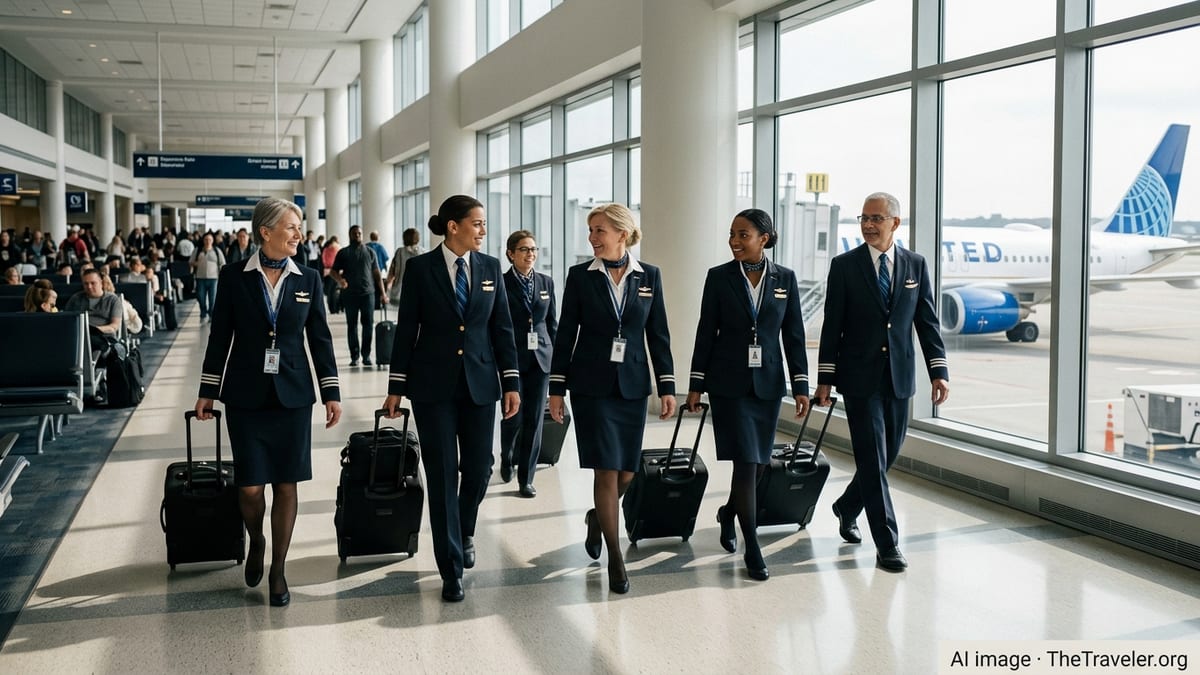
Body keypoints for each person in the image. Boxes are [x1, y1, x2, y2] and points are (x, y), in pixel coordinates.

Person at [193, 197, 342, 608]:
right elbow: (220, 335)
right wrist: (208, 389)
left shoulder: (308, 278)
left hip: (293, 395)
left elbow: (320, 339)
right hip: (246, 395)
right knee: (251, 487)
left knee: (286, 483)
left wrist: (331, 392)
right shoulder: (234, 277)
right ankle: (256, 539)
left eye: (299, 227)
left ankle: (278, 568)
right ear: (266, 232)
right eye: (291, 227)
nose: (298, 234)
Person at [380, 194, 521, 604]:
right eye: (477, 223)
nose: (483, 230)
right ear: (453, 226)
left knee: (479, 469)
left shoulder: (492, 267)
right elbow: (407, 330)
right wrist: (396, 387)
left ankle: (465, 529)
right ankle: (451, 568)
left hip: (480, 385)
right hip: (432, 389)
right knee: (442, 475)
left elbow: (503, 329)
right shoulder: (421, 269)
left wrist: (511, 383)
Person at [812, 191, 950, 572]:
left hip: (900, 378)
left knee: (886, 456)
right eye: (864, 218)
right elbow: (832, 326)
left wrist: (939, 370)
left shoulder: (915, 265)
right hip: (858, 378)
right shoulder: (845, 266)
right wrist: (825, 378)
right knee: (872, 459)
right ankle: (887, 543)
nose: (868, 225)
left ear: (895, 223)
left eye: (876, 218)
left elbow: (927, 322)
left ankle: (846, 506)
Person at [547, 202, 676, 595]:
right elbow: (565, 333)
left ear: (622, 233)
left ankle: (596, 519)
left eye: (599, 230)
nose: (592, 237)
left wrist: (667, 386)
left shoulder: (648, 276)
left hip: (633, 387)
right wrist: (556, 389)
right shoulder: (580, 277)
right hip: (591, 387)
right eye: (590, 230)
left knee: (628, 472)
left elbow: (659, 334)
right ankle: (615, 560)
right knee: (605, 470)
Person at [684, 209, 810, 581]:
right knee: (745, 460)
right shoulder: (719, 277)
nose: (734, 241)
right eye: (732, 235)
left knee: (756, 465)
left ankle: (728, 512)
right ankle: (751, 545)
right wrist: (695, 383)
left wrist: (800, 386)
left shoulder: (785, 279)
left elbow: (795, 336)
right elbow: (706, 331)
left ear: (764, 238)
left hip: (768, 384)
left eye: (743, 235)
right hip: (729, 384)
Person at [499, 230, 557, 498]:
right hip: (512, 358)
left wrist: (557, 362)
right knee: (513, 416)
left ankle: (527, 478)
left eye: (533, 249)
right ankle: (507, 455)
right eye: (524, 249)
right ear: (511, 254)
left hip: (541, 359)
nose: (530, 254)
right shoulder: (501, 283)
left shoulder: (546, 283)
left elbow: (552, 324)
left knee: (534, 419)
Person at [330, 225, 385, 366]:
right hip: (350, 294)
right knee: (352, 325)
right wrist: (340, 280)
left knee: (368, 325)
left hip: (368, 294)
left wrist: (383, 293)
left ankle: (366, 355)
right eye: (355, 233)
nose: (358, 235)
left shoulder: (370, 252)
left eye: (360, 233)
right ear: (350, 235)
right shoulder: (343, 253)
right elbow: (333, 271)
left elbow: (377, 274)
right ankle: (354, 356)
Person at [64, 268, 123, 337]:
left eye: (93, 283)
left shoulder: (113, 300)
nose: (89, 286)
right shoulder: (76, 298)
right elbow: (66, 320)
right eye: (86, 284)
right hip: (79, 335)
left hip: (104, 337)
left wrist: (94, 330)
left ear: (101, 282)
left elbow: (114, 326)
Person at [191, 233, 226, 323]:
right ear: (203, 240)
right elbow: (191, 262)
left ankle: (211, 315)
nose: (208, 241)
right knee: (200, 297)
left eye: (210, 240)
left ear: (212, 241)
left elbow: (222, 263)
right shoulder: (198, 250)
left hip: (213, 278)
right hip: (200, 277)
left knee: (212, 298)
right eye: (206, 239)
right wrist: (197, 262)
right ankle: (203, 312)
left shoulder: (217, 251)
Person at [385, 228, 422, 307]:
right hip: (419, 293)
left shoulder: (399, 252)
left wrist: (386, 290)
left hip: (399, 293)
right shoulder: (422, 252)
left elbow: (392, 273)